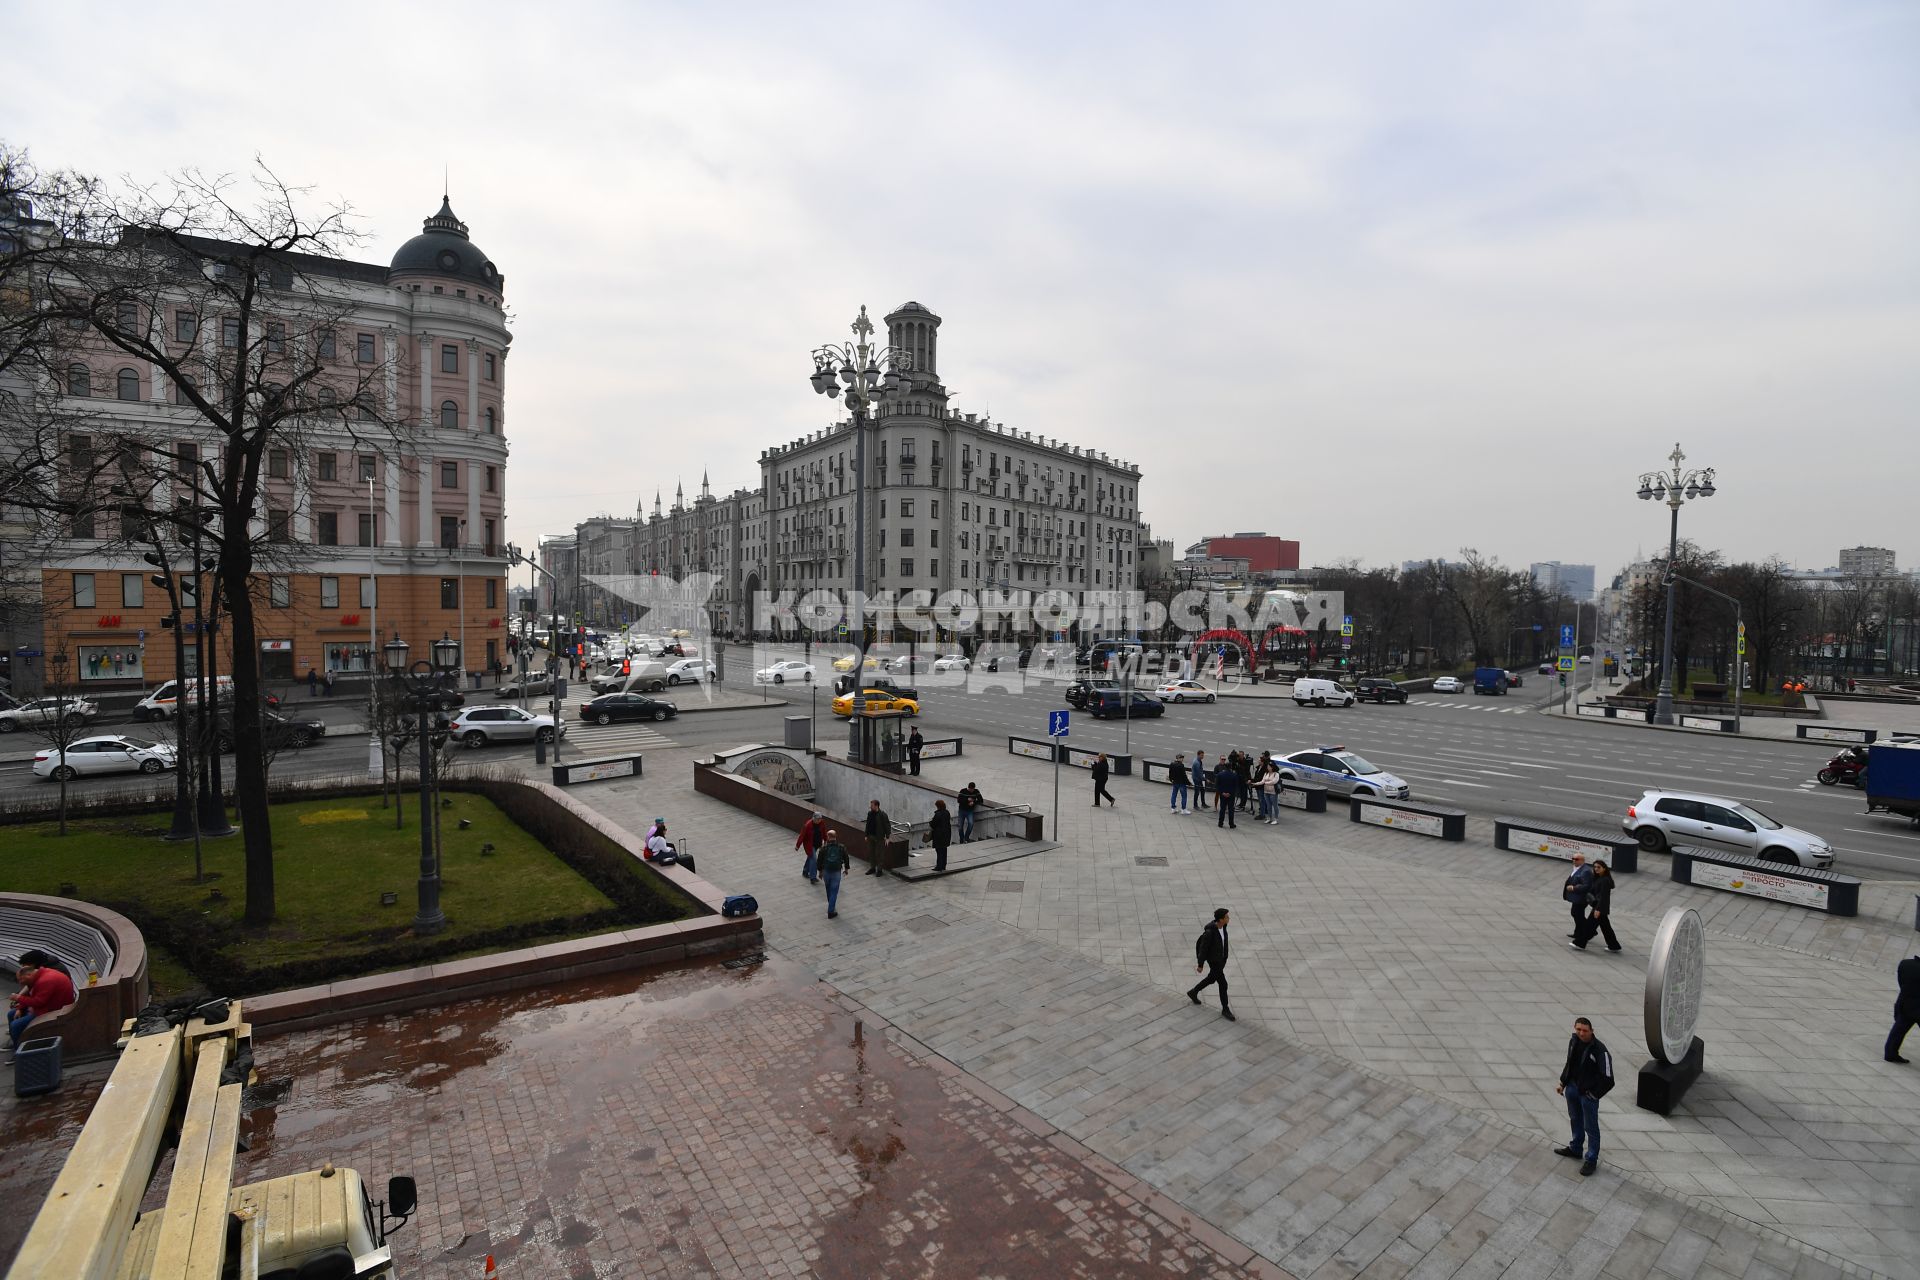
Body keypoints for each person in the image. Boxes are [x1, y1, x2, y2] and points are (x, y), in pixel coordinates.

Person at [1554, 1016, 1614, 1176]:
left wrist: (1593, 1095)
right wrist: (1563, 1083)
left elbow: (1609, 1079)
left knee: (1591, 1127)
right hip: (1573, 1088)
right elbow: (1570, 1063)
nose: (1581, 1033)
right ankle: (1575, 1148)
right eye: (1578, 1029)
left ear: (1592, 1031)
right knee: (1575, 1119)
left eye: (1585, 1030)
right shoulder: (1573, 1041)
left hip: (1588, 1095)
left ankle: (1591, 1159)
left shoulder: (1600, 1050)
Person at [8, 950, 76, 1053]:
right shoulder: (40, 973)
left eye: (22, 981)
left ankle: (20, 1053)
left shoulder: (45, 980)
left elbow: (38, 1002)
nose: (21, 984)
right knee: (11, 1014)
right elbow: (31, 992)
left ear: (29, 975)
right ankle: (16, 1043)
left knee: (16, 1025)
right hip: (45, 1005)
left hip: (53, 1011)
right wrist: (20, 1008)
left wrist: (18, 998)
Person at [1186, 908, 1234, 1020]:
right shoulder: (1210, 932)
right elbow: (1203, 949)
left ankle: (1193, 992)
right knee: (1223, 984)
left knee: (1211, 979)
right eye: (1227, 917)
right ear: (1221, 919)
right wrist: (1200, 964)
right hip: (1214, 961)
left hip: (1221, 960)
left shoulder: (1223, 927)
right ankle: (1225, 1009)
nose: (1229, 918)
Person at [1573, 861, 1622, 951]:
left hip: (1599, 907)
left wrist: (1598, 909)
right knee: (1606, 927)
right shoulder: (1600, 878)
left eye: (1598, 867)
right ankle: (1614, 945)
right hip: (1600, 907)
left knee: (1589, 926)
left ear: (1604, 868)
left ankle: (1580, 943)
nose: (1596, 869)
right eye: (1595, 867)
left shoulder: (1604, 881)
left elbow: (1603, 897)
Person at [1886, 951, 1920, 1064]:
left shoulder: (1905, 964)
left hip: (1905, 1002)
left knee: (1898, 1030)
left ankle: (1890, 1054)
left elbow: (1901, 982)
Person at [818, 829, 851, 919]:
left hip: (826, 871)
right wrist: (846, 869)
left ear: (828, 837)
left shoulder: (824, 848)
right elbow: (846, 858)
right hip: (836, 871)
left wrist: (820, 872)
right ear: (836, 837)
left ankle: (831, 906)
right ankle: (831, 911)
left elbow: (819, 861)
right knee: (834, 891)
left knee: (828, 890)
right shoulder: (841, 847)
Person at [1563, 854, 1594, 940]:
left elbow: (1587, 886)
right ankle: (1578, 932)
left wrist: (1573, 888)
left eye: (1576, 859)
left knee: (1576, 914)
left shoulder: (1586, 871)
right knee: (1577, 914)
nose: (1574, 860)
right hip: (1577, 897)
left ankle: (1590, 931)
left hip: (1581, 898)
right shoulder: (1578, 868)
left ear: (1582, 860)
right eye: (1573, 858)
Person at [795, 811, 827, 884]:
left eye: (820, 819)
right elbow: (802, 836)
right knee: (814, 860)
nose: (819, 821)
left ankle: (805, 871)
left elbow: (824, 831)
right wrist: (797, 845)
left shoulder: (822, 823)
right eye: (817, 819)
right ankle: (813, 878)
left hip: (817, 844)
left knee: (810, 858)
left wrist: (825, 840)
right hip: (809, 845)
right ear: (813, 818)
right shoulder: (807, 825)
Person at [864, 800, 891, 875]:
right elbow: (867, 824)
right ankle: (872, 868)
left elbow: (887, 826)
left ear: (876, 806)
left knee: (879, 854)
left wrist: (887, 837)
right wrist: (866, 835)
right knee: (871, 853)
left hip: (879, 837)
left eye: (872, 805)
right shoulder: (870, 813)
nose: (870, 807)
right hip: (870, 836)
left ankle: (879, 870)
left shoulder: (882, 814)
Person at [1213, 757, 1238, 829]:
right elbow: (1235, 786)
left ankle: (1220, 823)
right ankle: (1231, 824)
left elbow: (1217, 785)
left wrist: (1222, 792)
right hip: (1231, 795)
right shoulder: (1234, 775)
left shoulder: (1220, 774)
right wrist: (1230, 793)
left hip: (1223, 794)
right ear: (1230, 767)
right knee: (1230, 809)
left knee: (1222, 809)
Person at [929, 799, 952, 872]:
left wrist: (930, 822)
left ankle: (939, 866)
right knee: (944, 850)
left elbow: (933, 824)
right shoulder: (947, 812)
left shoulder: (938, 814)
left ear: (938, 806)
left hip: (939, 835)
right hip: (946, 834)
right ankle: (943, 866)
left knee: (939, 851)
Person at [1257, 753, 1280, 824]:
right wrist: (1255, 783)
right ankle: (1269, 818)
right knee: (1268, 806)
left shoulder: (1276, 774)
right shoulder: (1266, 773)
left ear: (1272, 767)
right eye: (1267, 766)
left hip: (1273, 792)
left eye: (1269, 766)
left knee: (1275, 805)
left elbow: (1273, 782)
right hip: (1266, 791)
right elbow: (1262, 781)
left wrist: (1265, 783)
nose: (1268, 767)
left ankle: (1276, 819)